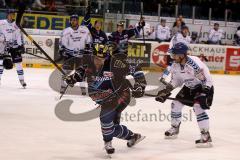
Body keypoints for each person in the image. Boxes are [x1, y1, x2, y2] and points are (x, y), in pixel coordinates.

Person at [64, 44, 147, 155]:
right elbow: (80, 72)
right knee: (111, 128)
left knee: (105, 117)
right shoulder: (88, 63)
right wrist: (73, 78)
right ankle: (133, 136)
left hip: (120, 95)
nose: (98, 61)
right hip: (105, 99)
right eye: (96, 58)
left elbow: (136, 68)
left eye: (102, 59)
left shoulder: (115, 64)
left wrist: (140, 85)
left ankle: (108, 143)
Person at [155, 42, 214, 148]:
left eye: (174, 54)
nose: (172, 56)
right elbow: (176, 81)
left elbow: (206, 79)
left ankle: (206, 136)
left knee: (198, 107)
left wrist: (204, 93)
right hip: (189, 87)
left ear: (182, 55)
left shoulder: (194, 64)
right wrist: (166, 90)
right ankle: (175, 127)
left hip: (203, 86)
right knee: (175, 104)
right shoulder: (175, 65)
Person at [59, 14, 92, 94]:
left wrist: (88, 49)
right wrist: (62, 51)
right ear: (70, 21)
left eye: (75, 20)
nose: (74, 21)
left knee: (81, 73)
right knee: (65, 72)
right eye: (72, 20)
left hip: (81, 55)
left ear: (78, 20)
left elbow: (89, 40)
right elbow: (61, 44)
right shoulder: (66, 31)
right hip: (69, 55)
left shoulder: (84, 30)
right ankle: (63, 87)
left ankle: (83, 88)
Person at [0, 9, 26, 88]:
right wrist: (2, 39)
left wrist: (21, 45)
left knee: (18, 63)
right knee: (1, 62)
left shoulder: (17, 24)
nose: (12, 15)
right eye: (10, 14)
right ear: (7, 15)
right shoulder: (1, 23)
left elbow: (19, 35)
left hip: (15, 46)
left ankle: (22, 80)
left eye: (13, 14)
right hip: (4, 46)